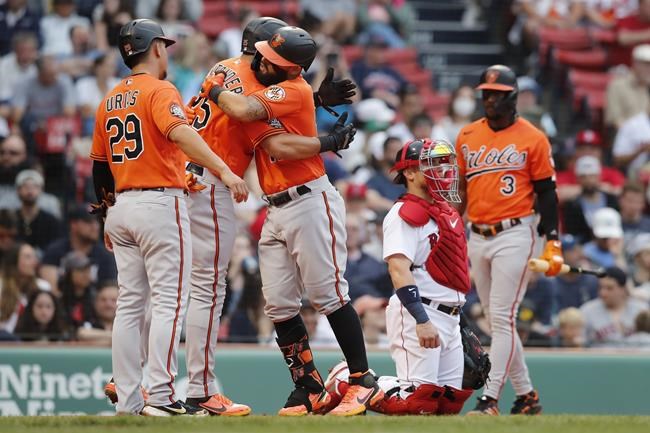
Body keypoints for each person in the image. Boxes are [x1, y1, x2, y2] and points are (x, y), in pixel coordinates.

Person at [202, 26, 383, 416]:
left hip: (309, 199)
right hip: (276, 205)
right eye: (266, 53)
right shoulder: (283, 89)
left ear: (293, 69)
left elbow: (270, 137)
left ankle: (362, 379)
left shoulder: (292, 88)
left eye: (276, 60)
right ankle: (308, 387)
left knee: (329, 295)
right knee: (280, 306)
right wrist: (320, 111)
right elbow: (268, 115)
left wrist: (213, 86)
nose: (265, 60)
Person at [89, 18, 247, 417]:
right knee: (169, 303)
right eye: (164, 45)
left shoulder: (110, 97)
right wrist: (225, 171)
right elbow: (182, 133)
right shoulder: (160, 89)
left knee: (129, 306)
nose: (167, 51)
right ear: (155, 47)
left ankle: (129, 401)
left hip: (122, 206)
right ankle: (159, 396)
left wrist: (108, 211)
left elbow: (98, 167)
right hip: (159, 204)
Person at [327, 138, 474, 416]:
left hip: (450, 315)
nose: (442, 171)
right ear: (409, 173)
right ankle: (349, 380)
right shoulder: (403, 214)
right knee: (417, 402)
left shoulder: (444, 212)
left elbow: (451, 277)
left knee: (448, 404)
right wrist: (421, 319)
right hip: (420, 311)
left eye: (444, 164)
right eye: (432, 164)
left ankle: (356, 382)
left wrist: (462, 323)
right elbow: (398, 270)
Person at [456, 65, 563, 416]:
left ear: (512, 97)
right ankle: (528, 396)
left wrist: (553, 240)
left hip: (516, 232)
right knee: (498, 319)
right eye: (486, 93)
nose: (490, 99)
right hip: (477, 233)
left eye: (497, 94)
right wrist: (454, 224)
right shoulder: (468, 135)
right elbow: (461, 191)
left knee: (501, 318)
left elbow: (547, 193)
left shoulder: (533, 137)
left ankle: (489, 400)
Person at [40, 205, 116, 294]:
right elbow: (49, 289)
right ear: (73, 225)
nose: (95, 226)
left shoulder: (105, 256)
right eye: (88, 221)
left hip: (93, 305)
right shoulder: (55, 251)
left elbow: (110, 292)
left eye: (96, 221)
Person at [580, 266, 647, 346]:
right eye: (601, 287)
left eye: (609, 288)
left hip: (636, 356)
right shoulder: (587, 311)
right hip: (600, 357)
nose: (603, 293)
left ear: (623, 289)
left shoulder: (641, 309)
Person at [562, 156, 619, 242]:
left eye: (592, 176)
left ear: (599, 177)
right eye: (584, 177)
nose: (588, 180)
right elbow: (572, 233)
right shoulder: (572, 205)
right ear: (578, 179)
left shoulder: (611, 200)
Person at [0, 242, 50, 339]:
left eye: (34, 257)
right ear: (14, 261)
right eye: (28, 257)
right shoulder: (1, 286)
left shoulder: (43, 287)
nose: (34, 262)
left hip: (33, 342)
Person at [14, 169, 61, 252]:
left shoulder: (51, 221)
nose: (30, 191)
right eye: (25, 186)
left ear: (41, 190)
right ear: (18, 190)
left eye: (35, 186)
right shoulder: (11, 218)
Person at [606, 44, 650, 129]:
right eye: (646, 64)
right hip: (627, 136)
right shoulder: (618, 86)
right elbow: (615, 120)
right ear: (635, 63)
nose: (649, 69)